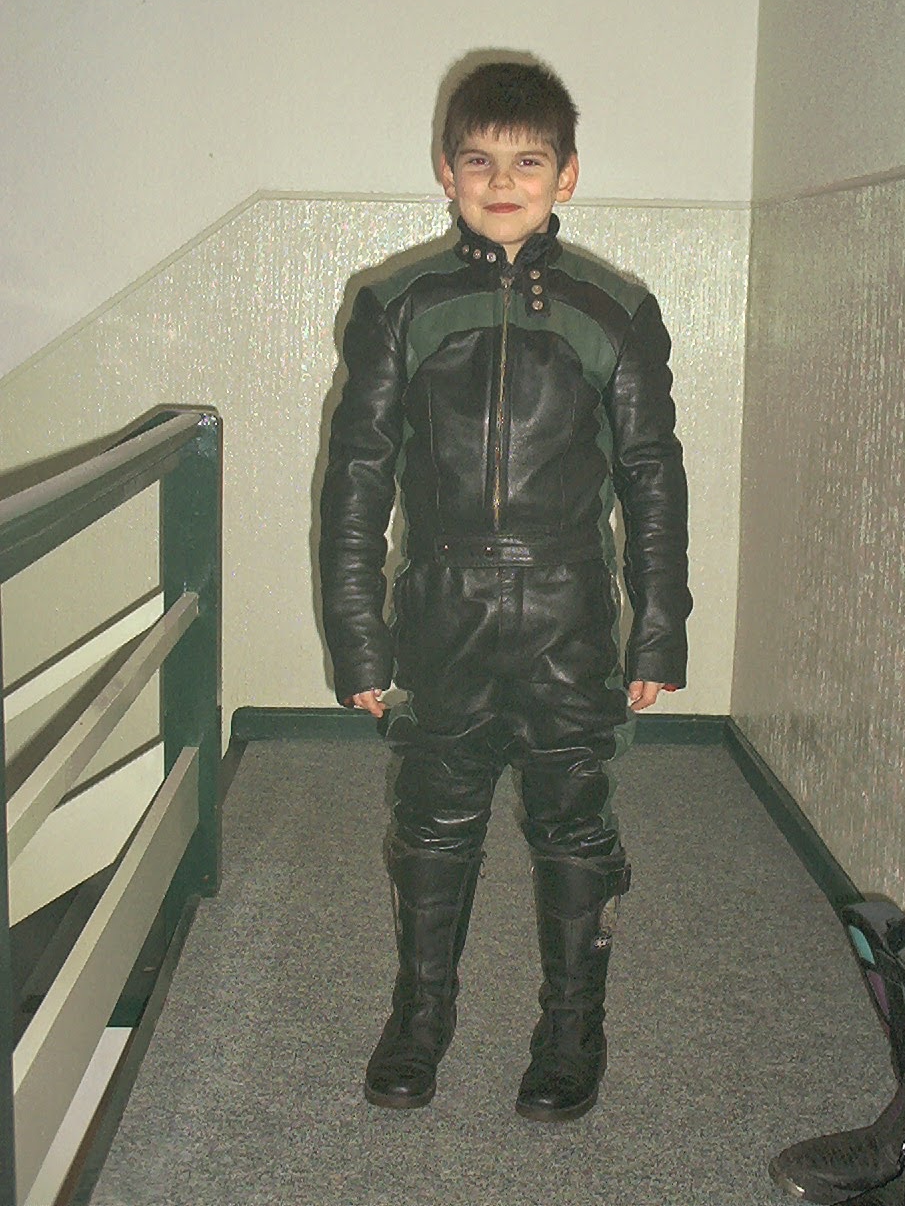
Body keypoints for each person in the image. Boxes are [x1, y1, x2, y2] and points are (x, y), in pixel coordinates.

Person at [319, 57, 691, 1122]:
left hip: (570, 615)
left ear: (566, 175)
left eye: (528, 162)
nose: (501, 181)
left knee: (574, 826)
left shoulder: (616, 309)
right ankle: (419, 1014)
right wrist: (358, 637)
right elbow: (357, 476)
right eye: (478, 161)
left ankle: (572, 1026)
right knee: (433, 819)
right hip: (441, 612)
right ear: (446, 171)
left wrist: (658, 627)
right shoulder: (399, 303)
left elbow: (651, 473)